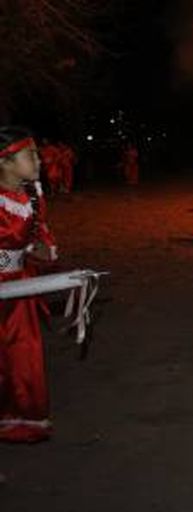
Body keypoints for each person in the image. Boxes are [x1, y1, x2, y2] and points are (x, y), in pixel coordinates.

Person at [0, 126, 59, 443]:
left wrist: (41, 251)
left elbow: (40, 237)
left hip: (20, 288)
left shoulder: (32, 197)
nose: (39, 160)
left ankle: (22, 419)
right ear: (6, 162)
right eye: (30, 154)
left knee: (24, 353)